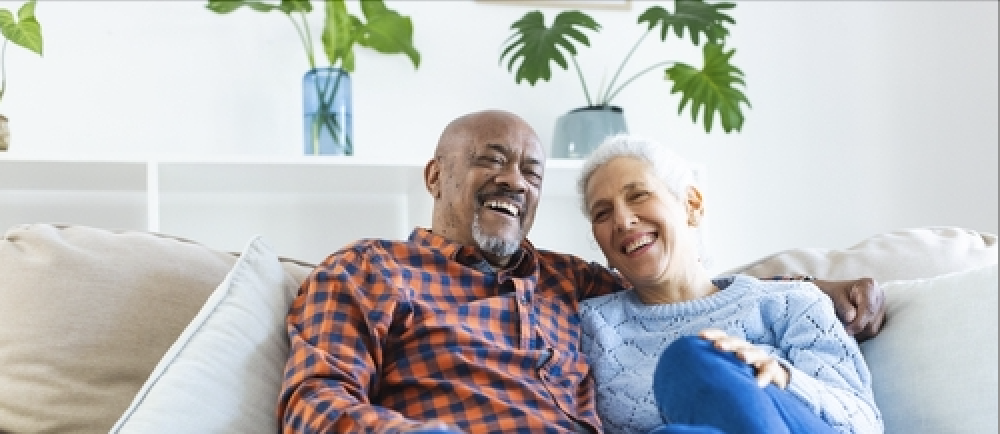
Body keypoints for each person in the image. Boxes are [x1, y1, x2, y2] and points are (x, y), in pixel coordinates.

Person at [277, 109, 886, 433]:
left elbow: (683, 289)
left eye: (532, 172)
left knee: (691, 372)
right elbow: (313, 399)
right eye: (491, 159)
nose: (514, 180)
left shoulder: (568, 283)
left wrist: (812, 287)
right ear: (437, 176)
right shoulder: (369, 270)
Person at [577, 134, 883, 434]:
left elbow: (865, 424)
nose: (621, 220)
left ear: (692, 205)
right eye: (602, 213)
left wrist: (783, 378)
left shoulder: (794, 301)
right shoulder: (589, 327)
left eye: (638, 195)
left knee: (689, 361)